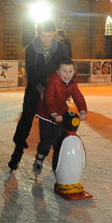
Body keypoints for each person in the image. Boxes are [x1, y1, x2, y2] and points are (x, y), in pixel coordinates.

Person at [8, 20, 68, 171]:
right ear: (38, 34)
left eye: (49, 36)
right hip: (35, 89)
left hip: (54, 89)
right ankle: (18, 150)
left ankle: (60, 156)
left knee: (57, 121)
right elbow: (31, 72)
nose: (46, 40)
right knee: (26, 119)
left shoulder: (61, 48)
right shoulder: (31, 49)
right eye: (43, 36)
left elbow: (65, 69)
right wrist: (40, 88)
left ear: (53, 34)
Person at [34, 57, 87, 175]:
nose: (67, 74)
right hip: (46, 115)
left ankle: (59, 165)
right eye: (64, 71)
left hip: (61, 114)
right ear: (57, 72)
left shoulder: (72, 83)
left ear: (74, 72)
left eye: (70, 71)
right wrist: (54, 114)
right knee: (46, 141)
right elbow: (49, 99)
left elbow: (78, 97)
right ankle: (39, 158)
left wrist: (83, 111)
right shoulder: (52, 82)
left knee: (59, 141)